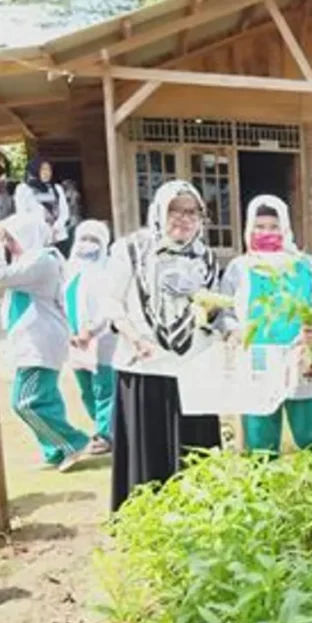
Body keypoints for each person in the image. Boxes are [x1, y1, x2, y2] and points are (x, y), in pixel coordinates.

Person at [103, 179, 223, 512]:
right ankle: (147, 520)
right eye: (175, 210)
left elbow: (213, 311)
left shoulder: (206, 258)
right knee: (149, 448)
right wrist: (133, 336)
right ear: (158, 209)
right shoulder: (132, 249)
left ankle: (197, 519)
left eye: (192, 211)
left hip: (193, 370)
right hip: (144, 367)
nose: (183, 218)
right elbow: (111, 302)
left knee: (194, 453)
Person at [220, 195, 312, 457]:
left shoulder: (304, 264)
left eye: (273, 226)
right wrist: (234, 330)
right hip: (258, 358)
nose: (267, 232)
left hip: (301, 356)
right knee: (260, 434)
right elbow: (224, 310)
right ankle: (263, 489)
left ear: (285, 228)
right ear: (249, 229)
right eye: (260, 226)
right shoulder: (240, 267)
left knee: (310, 434)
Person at [0, 211, 91, 472]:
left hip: (39, 343)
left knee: (25, 402)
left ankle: (73, 441)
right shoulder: (32, 260)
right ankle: (55, 449)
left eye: (12, 239)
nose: (8, 245)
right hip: (35, 342)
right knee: (46, 399)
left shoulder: (40, 261)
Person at [64, 219, 119, 457]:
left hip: (102, 340)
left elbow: (110, 307)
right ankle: (103, 428)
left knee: (104, 388)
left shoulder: (109, 271)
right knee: (86, 390)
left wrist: (91, 330)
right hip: (75, 342)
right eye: (83, 239)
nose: (87, 244)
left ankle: (106, 434)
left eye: (94, 240)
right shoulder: (69, 271)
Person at [15, 157, 71, 256]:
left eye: (49, 169)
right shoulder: (24, 189)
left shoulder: (56, 188)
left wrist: (56, 227)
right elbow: (22, 214)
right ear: (34, 170)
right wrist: (44, 229)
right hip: (37, 239)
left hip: (58, 237)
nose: (47, 172)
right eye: (43, 169)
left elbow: (64, 212)